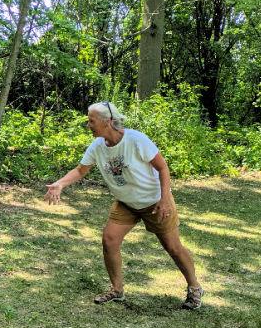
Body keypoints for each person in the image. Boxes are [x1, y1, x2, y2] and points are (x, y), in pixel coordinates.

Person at [43, 102, 204, 310]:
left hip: (154, 201)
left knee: (173, 247)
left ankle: (195, 288)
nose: (88, 125)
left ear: (107, 122)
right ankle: (117, 290)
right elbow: (81, 170)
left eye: (91, 121)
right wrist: (60, 184)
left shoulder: (136, 140)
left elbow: (162, 167)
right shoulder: (98, 146)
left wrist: (165, 198)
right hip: (126, 202)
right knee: (109, 239)